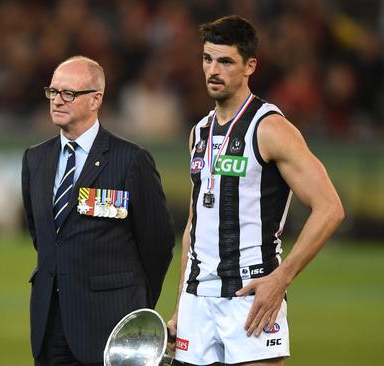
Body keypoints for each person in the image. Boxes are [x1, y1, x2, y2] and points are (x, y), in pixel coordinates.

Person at [166, 16, 344, 365]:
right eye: (207, 59)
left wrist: (281, 278)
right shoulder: (199, 133)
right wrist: (179, 309)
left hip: (250, 297)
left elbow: (330, 208)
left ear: (250, 66)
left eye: (226, 61)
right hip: (197, 300)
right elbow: (193, 227)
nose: (213, 70)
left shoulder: (271, 128)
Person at [21, 55, 175, 366]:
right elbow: (44, 237)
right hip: (50, 324)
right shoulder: (35, 159)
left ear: (95, 100)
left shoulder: (130, 160)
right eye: (53, 92)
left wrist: (132, 303)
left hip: (110, 325)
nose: (57, 101)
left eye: (69, 93)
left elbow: (158, 243)